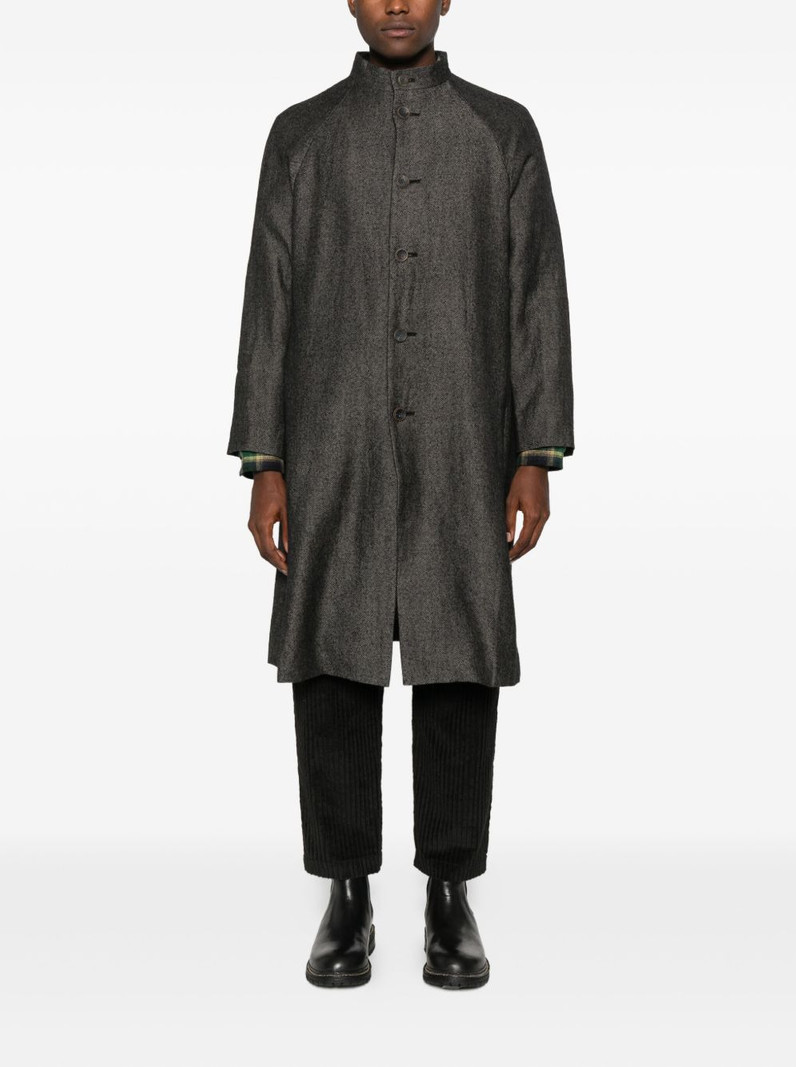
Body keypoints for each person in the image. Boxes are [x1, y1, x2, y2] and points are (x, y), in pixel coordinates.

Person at [226, 0, 574, 990]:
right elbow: (269, 297)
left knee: (457, 655)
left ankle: (449, 892)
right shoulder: (301, 135)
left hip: (464, 436)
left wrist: (535, 451)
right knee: (331, 656)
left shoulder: (501, 131)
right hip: (330, 440)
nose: (396, 4)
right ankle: (346, 891)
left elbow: (536, 293)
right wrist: (265, 461)